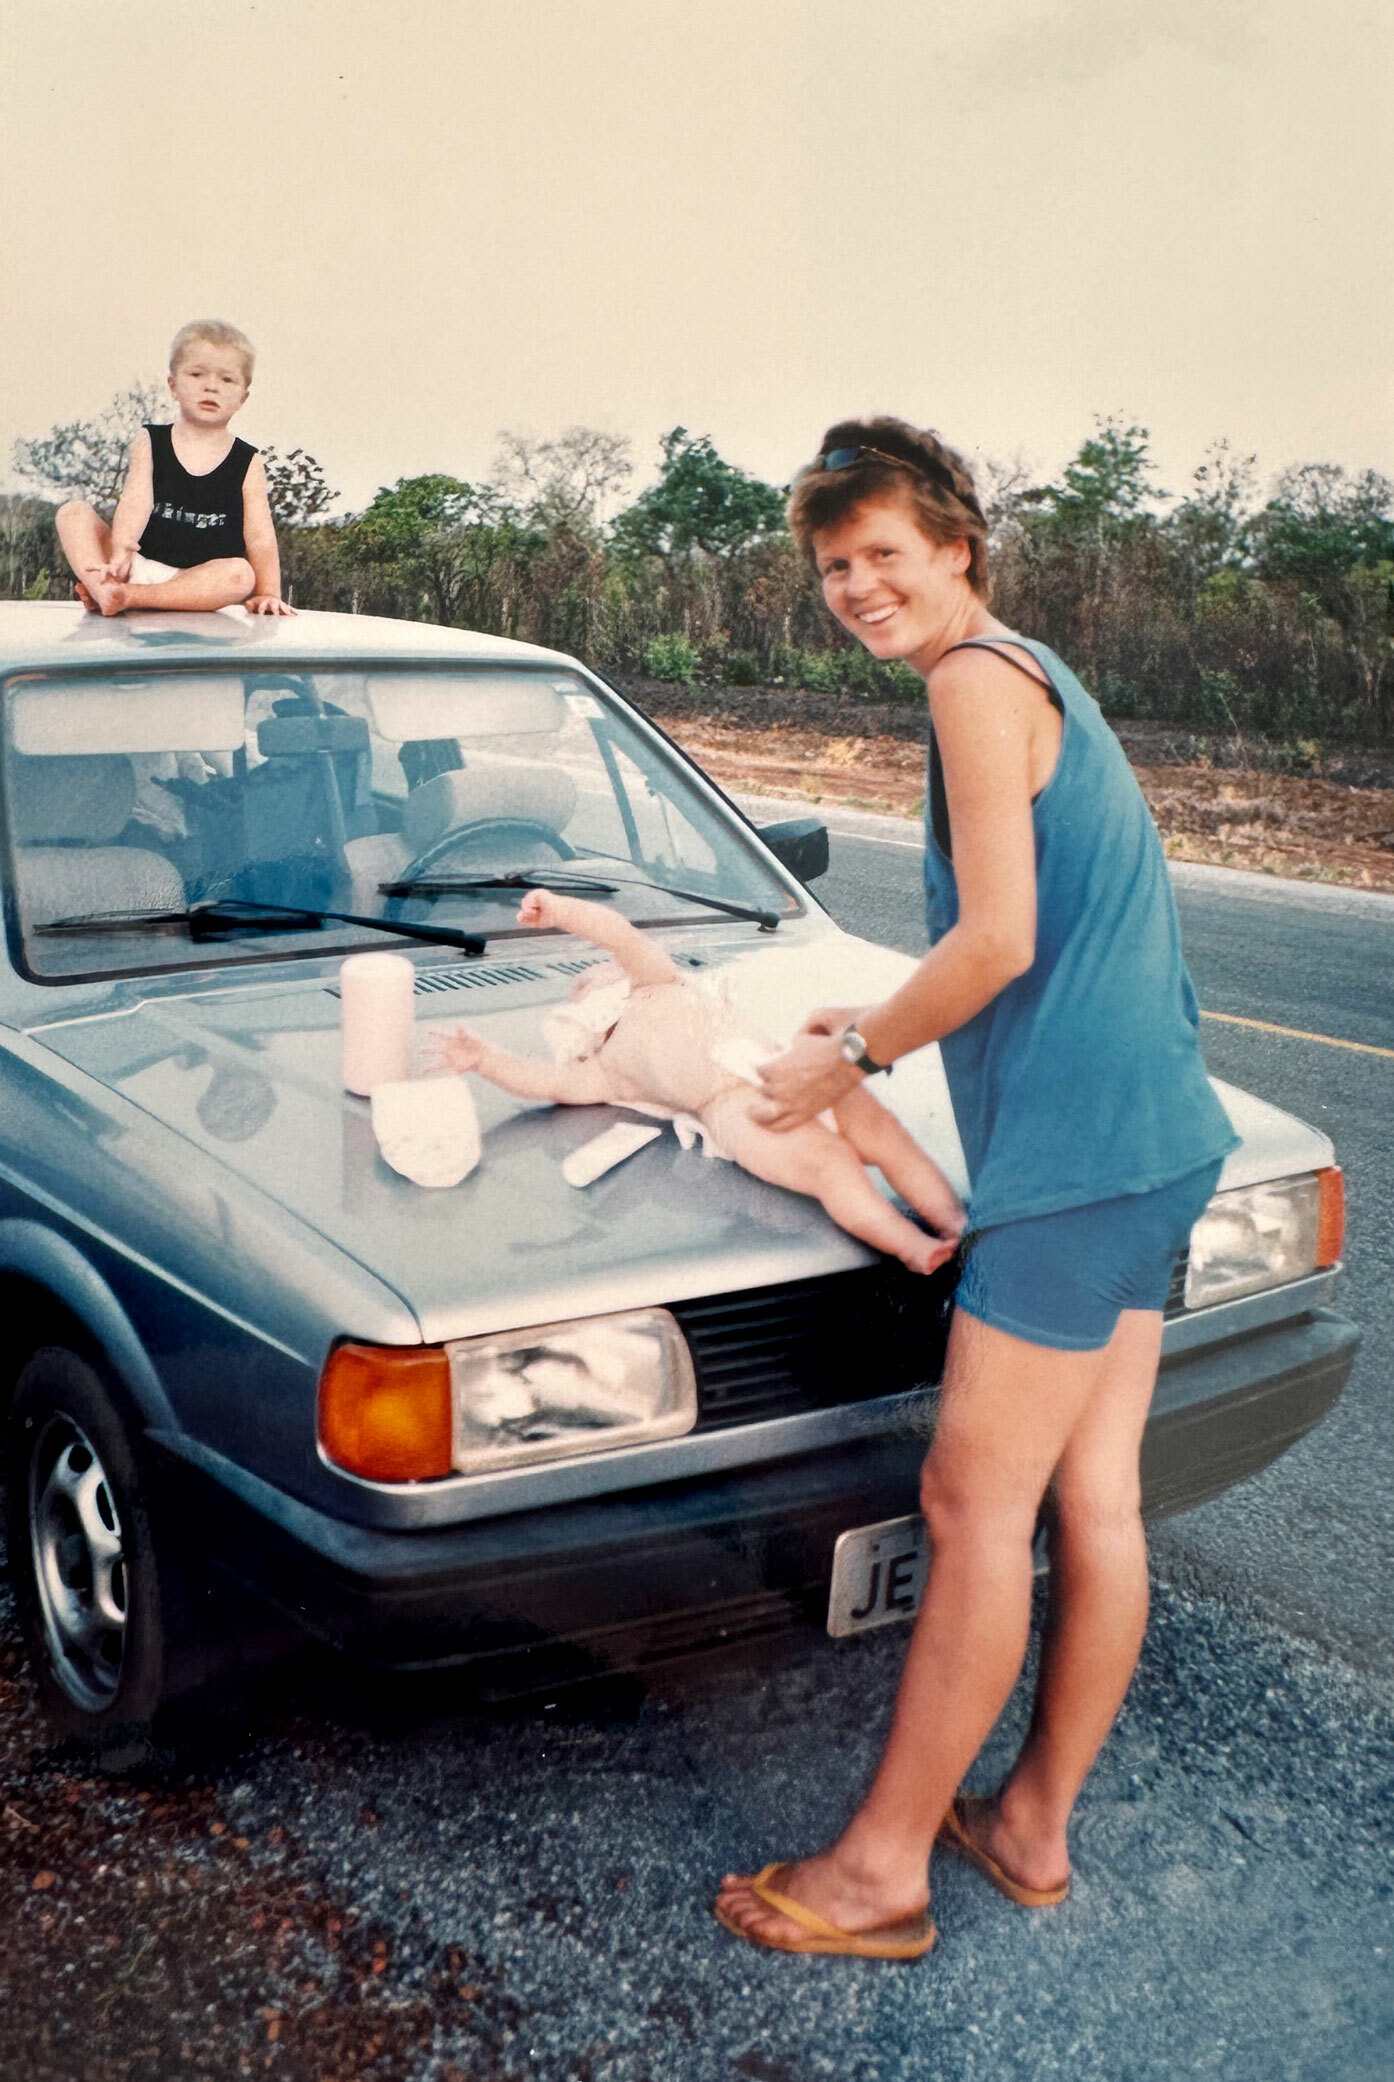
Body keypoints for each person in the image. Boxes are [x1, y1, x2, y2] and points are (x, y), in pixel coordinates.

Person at [713, 418, 1239, 1961]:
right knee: (1093, 1497)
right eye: (831, 568)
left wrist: (848, 1060)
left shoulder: (964, 683)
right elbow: (1042, 934)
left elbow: (999, 936)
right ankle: (1023, 1826)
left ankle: (881, 1870)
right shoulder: (1028, 673)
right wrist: (868, 1022)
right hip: (1155, 1129)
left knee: (969, 1499)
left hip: (1080, 1160)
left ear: (955, 547)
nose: (856, 585)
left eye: (882, 553)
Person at [423, 888, 966, 1276]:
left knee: (886, 1131)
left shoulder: (656, 983)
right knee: (831, 1168)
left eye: (594, 977)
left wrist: (561, 910)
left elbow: (617, 935)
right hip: (731, 1109)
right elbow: (539, 1080)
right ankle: (911, 1246)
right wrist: (483, 1058)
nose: (585, 986)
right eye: (581, 993)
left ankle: (954, 1221)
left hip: (791, 1066)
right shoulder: (606, 1073)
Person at [55, 319, 293, 617]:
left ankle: (129, 597)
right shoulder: (150, 439)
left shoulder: (248, 461)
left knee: (240, 574)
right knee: (73, 513)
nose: (211, 386)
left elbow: (260, 536)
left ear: (243, 398)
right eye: (196, 374)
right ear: (173, 385)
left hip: (195, 584)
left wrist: (269, 593)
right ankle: (104, 588)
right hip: (134, 564)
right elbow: (136, 499)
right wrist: (120, 551)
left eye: (227, 380)